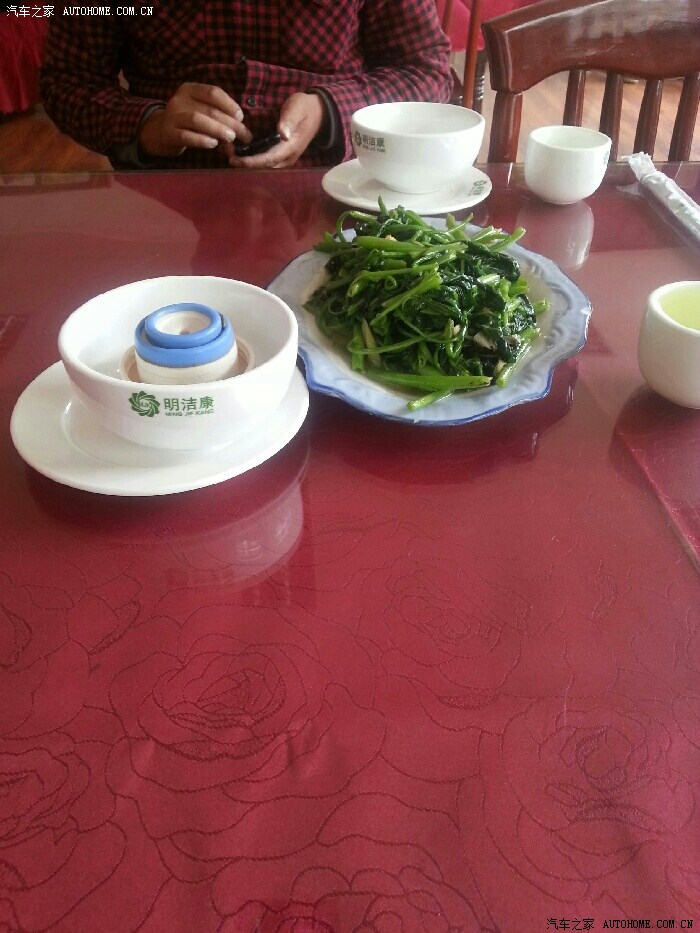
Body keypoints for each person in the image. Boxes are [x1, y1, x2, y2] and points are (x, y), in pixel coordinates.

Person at [40, 2, 453, 170]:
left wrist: (330, 111)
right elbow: (69, 79)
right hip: (166, 197)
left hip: (337, 189)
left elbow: (427, 69)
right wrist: (148, 125)